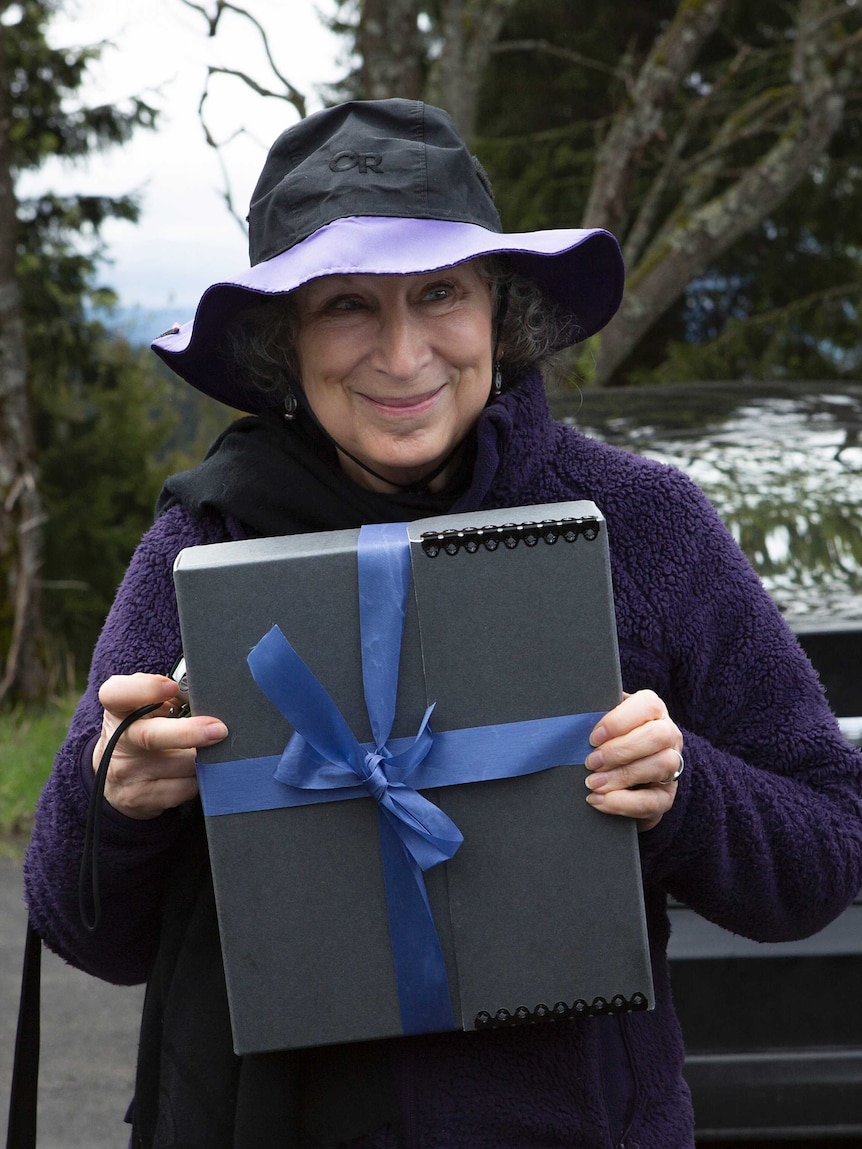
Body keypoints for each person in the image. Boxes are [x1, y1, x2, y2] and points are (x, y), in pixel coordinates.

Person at [23, 98, 862, 1149]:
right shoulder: (205, 548)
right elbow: (79, 924)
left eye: (438, 294)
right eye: (346, 306)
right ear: (285, 340)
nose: (404, 351)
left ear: (496, 312)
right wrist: (116, 800)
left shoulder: (644, 526)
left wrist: (686, 789)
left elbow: (831, 848)